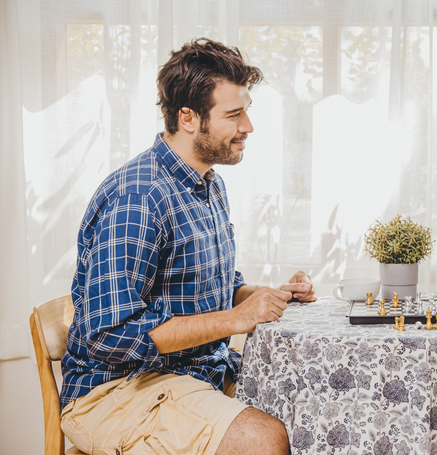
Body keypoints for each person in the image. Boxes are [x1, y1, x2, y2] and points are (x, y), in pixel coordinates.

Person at [60, 38, 316, 455]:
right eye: (233, 114)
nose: (247, 126)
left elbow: (215, 289)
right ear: (188, 117)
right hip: (113, 392)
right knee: (265, 438)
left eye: (245, 111)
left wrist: (266, 297)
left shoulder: (209, 185)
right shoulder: (139, 197)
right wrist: (235, 319)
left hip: (190, 372)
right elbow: (109, 333)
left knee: (313, 403)